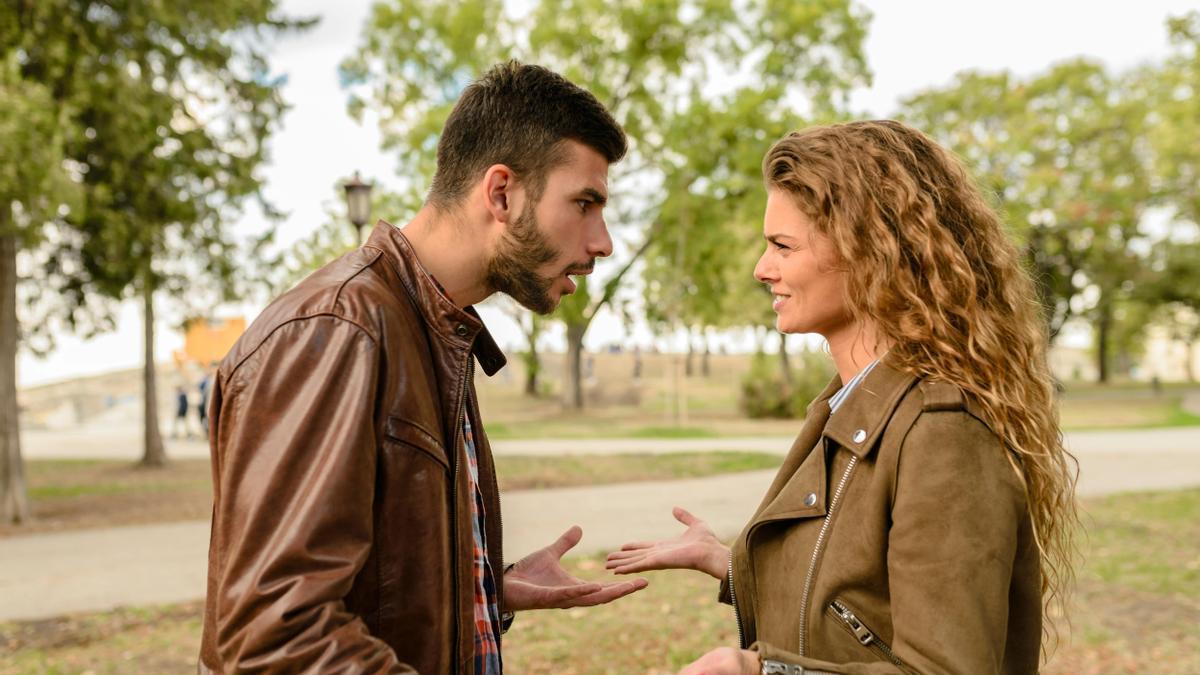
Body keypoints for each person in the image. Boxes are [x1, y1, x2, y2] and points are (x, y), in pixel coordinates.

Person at [200, 61, 647, 673]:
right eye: (585, 203)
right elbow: (276, 638)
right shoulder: (338, 330)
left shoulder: (433, 329)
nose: (603, 242)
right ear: (501, 193)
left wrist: (488, 591)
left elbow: (372, 588)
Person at [607, 120, 1077, 674]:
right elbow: (858, 604)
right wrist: (735, 566)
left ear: (871, 253)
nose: (762, 269)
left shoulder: (943, 428)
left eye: (782, 246)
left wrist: (757, 673)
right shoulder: (854, 403)